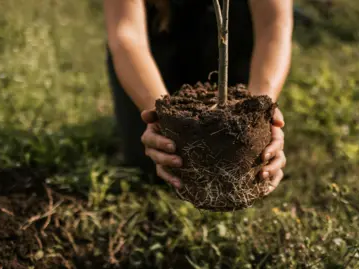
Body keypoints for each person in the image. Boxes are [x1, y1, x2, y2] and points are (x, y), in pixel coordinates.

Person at [103, 0, 292, 194]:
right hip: (158, 43)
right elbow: (127, 34)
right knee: (147, 162)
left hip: (234, 46)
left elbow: (274, 25)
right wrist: (161, 115)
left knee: (234, 142)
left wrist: (260, 111)